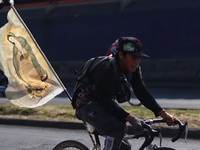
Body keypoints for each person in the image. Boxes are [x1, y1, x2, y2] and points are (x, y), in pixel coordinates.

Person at [71, 36, 177, 150]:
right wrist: (130, 118)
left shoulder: (133, 69)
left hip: (102, 105)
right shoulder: (106, 68)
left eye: (138, 58)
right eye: (133, 57)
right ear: (121, 55)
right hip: (86, 105)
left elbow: (143, 93)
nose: (136, 62)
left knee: (125, 147)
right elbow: (107, 100)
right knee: (118, 127)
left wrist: (164, 114)